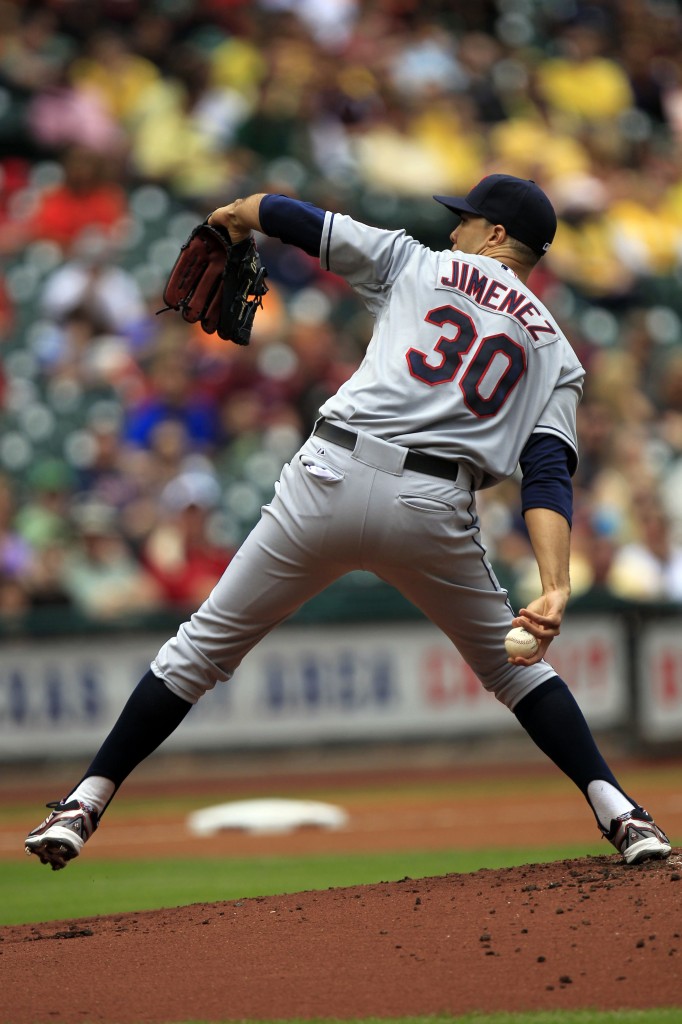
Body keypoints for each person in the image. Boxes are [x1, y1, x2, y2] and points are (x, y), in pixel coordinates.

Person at [25, 173, 671, 870]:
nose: (452, 229)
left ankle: (82, 805)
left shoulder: (420, 263)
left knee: (199, 651)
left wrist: (235, 215)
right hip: (433, 507)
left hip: (329, 477)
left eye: (465, 220)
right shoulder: (559, 354)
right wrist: (556, 584)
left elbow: (299, 220)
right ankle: (623, 815)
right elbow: (547, 473)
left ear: (495, 235)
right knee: (516, 673)